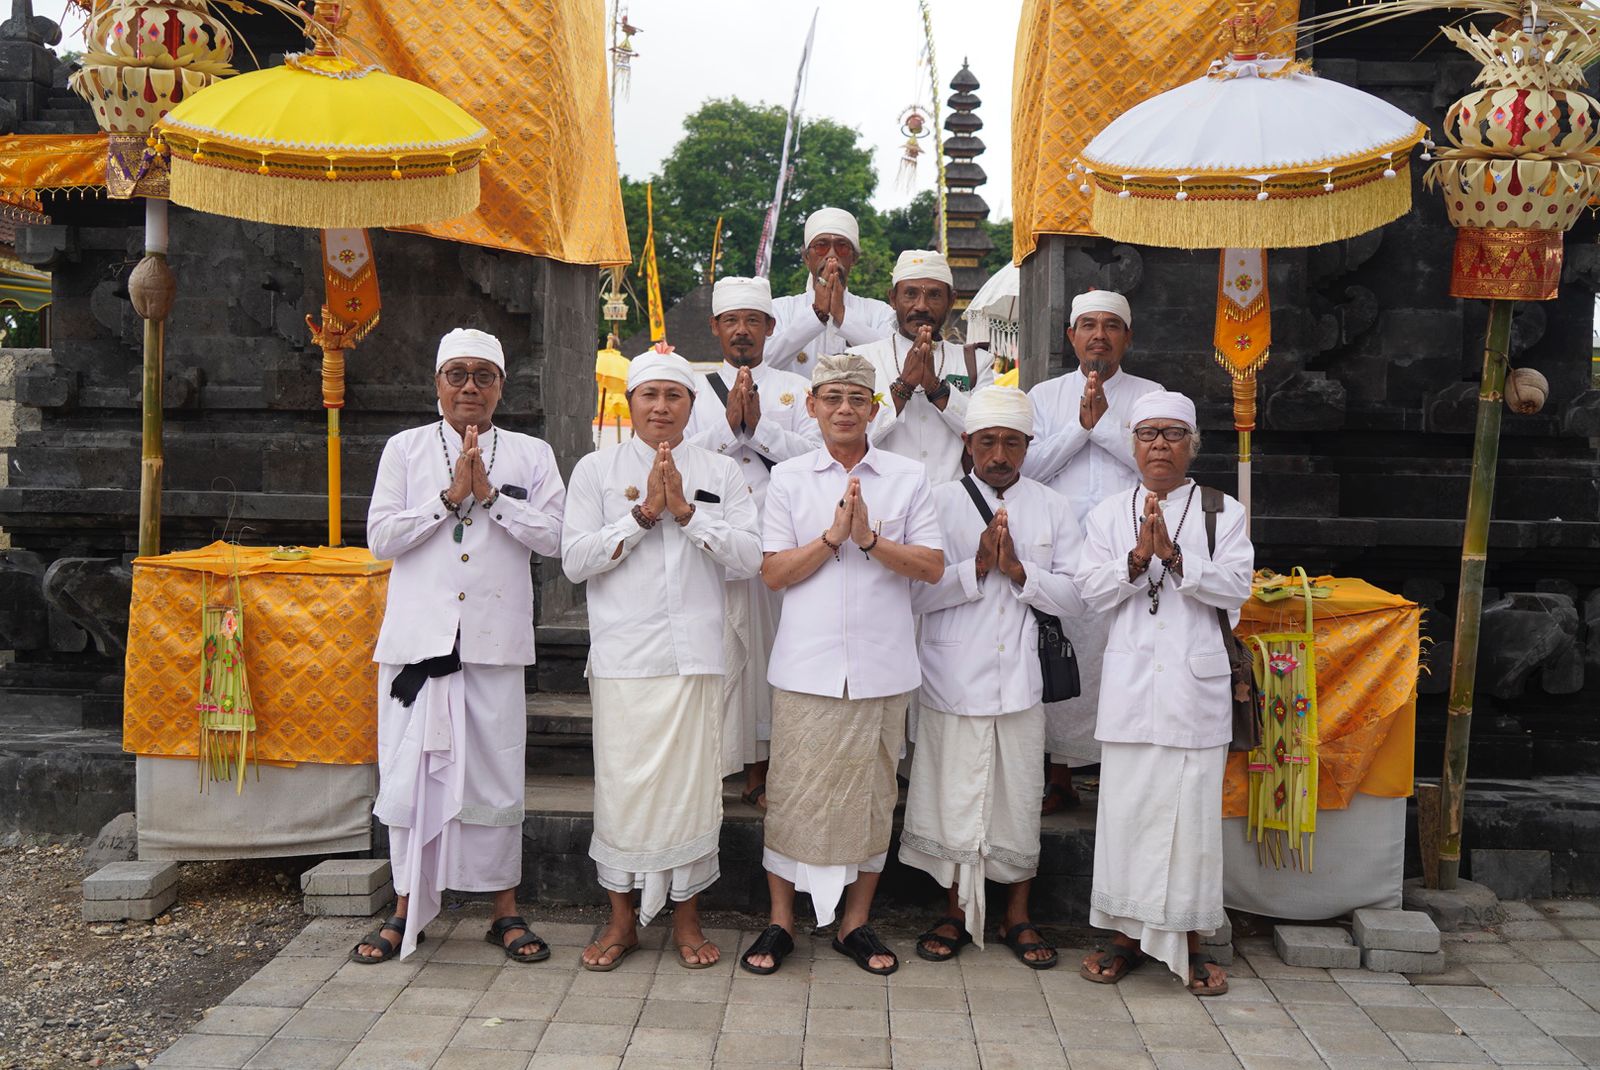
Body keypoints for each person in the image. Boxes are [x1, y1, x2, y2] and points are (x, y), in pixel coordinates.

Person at [358, 328, 566, 964]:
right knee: (410, 776)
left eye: (483, 375)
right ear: (438, 384)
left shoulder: (530, 453)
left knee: (497, 776)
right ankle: (404, 910)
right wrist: (448, 498)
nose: (470, 386)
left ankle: (504, 910)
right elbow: (380, 538)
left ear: (502, 386)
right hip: (419, 647)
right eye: (457, 374)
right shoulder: (406, 449)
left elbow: (557, 538)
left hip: (493, 645)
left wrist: (492, 499)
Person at [561, 346, 763, 971]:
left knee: (693, 795)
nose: (661, 407)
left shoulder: (720, 472)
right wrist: (645, 514)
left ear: (691, 406)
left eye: (674, 396)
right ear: (630, 404)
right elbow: (575, 561)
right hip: (625, 658)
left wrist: (687, 514)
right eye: (649, 395)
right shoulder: (595, 471)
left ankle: (687, 920)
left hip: (697, 658)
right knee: (622, 793)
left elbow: (751, 558)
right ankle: (620, 920)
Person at [742, 353, 944, 978]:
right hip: (806, 667)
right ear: (812, 407)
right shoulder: (791, 479)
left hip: (882, 667)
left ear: (875, 408)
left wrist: (870, 542)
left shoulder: (907, 478)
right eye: (831, 398)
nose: (844, 409)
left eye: (857, 399)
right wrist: (833, 539)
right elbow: (773, 573)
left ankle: (855, 923)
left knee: (872, 796)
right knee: (794, 794)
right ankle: (781, 922)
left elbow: (932, 567)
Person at [900, 386, 1084, 970]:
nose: (999, 454)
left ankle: (1017, 916)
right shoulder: (934, 503)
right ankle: (954, 912)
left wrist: (1020, 570)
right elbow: (910, 594)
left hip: (1022, 682)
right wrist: (977, 568)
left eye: (1011, 442)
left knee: (1018, 797)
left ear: (1029, 446)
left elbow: (1078, 597)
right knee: (954, 797)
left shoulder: (1054, 507)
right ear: (966, 444)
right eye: (987, 442)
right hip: (952, 677)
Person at [1075, 390, 1252, 995]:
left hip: (1193, 690)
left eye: (1172, 434)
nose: (1159, 444)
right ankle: (1125, 939)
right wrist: (1134, 560)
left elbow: (1237, 590)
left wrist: (1176, 560)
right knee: (1126, 817)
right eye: (1148, 433)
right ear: (1132, 444)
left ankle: (1191, 942)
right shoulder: (1106, 513)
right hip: (1129, 691)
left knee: (1191, 822)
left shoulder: (1220, 510)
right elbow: (1090, 592)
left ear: (1191, 445)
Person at [1022, 289, 1164, 814]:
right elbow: (1025, 469)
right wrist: (1079, 428)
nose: (1098, 335)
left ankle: (1117, 779)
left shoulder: (1151, 396)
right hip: (1060, 552)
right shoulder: (1043, 396)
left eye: (1110, 325)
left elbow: (1155, 467)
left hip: (1131, 552)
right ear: (1071, 336)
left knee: (1122, 663)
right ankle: (1058, 774)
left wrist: (1102, 427)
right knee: (1064, 661)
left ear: (1127, 337)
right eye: (1088, 325)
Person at [684, 276, 820, 807]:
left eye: (752, 321)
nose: (742, 331)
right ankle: (711, 766)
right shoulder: (691, 391)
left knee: (770, 656)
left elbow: (815, 460)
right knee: (716, 652)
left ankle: (765, 768)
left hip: (778, 543)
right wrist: (728, 427)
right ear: (716, 327)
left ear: (770, 327)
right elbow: (679, 454)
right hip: (710, 538)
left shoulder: (794, 390)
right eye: (731, 321)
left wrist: (759, 430)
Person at [854, 249, 996, 484]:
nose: (921, 306)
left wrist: (935, 388)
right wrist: (903, 386)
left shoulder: (976, 362)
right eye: (910, 294)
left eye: (934, 295)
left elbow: (986, 435)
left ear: (951, 300)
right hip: (883, 503)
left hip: (953, 504)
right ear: (892, 298)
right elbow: (851, 439)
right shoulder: (861, 360)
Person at [766, 207, 897, 371]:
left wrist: (842, 316)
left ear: (853, 258)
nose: (832, 255)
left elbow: (894, 364)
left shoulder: (879, 312)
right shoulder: (780, 310)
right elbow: (762, 365)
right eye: (821, 246)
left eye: (842, 247)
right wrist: (816, 314)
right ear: (807, 258)